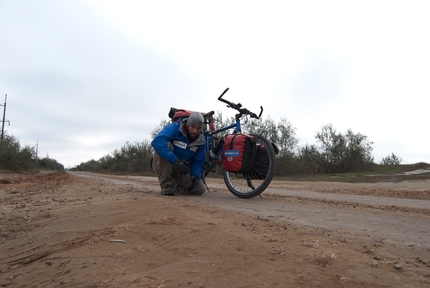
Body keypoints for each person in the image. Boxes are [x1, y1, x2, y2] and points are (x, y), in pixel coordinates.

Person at [151, 111, 206, 196]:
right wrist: (174, 160)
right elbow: (157, 141)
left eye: (198, 128)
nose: (195, 131)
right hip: (164, 163)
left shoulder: (201, 141)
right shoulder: (174, 128)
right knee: (166, 145)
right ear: (187, 124)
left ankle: (176, 186)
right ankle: (166, 186)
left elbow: (198, 161)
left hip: (181, 168)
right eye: (192, 127)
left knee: (200, 189)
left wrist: (195, 174)